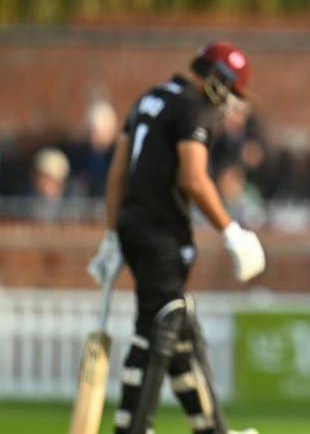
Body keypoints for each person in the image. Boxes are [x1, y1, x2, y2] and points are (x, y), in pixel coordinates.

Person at [86, 42, 266, 434]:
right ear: (219, 80)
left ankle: (212, 428)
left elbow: (119, 171)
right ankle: (133, 426)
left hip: (136, 227)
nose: (230, 105)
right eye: (231, 93)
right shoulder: (193, 107)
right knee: (162, 323)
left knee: (177, 327)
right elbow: (194, 178)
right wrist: (232, 231)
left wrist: (115, 233)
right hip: (163, 232)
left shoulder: (150, 98)